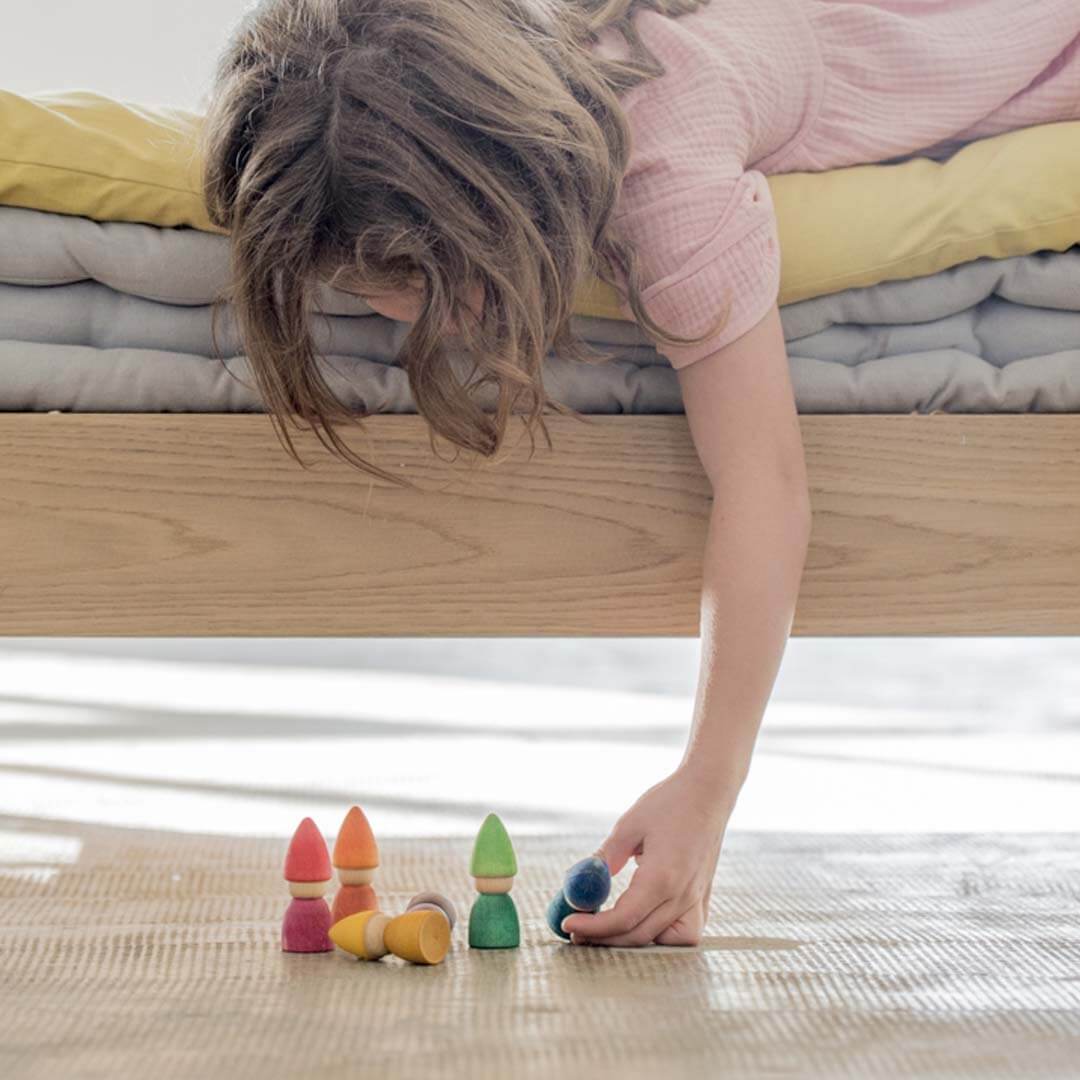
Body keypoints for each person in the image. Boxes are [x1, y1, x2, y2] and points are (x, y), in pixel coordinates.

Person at [199, 0, 1080, 947]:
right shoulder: (494, 55)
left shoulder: (662, 183)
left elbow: (766, 486)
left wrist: (705, 785)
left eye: (409, 289)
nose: (406, 320)